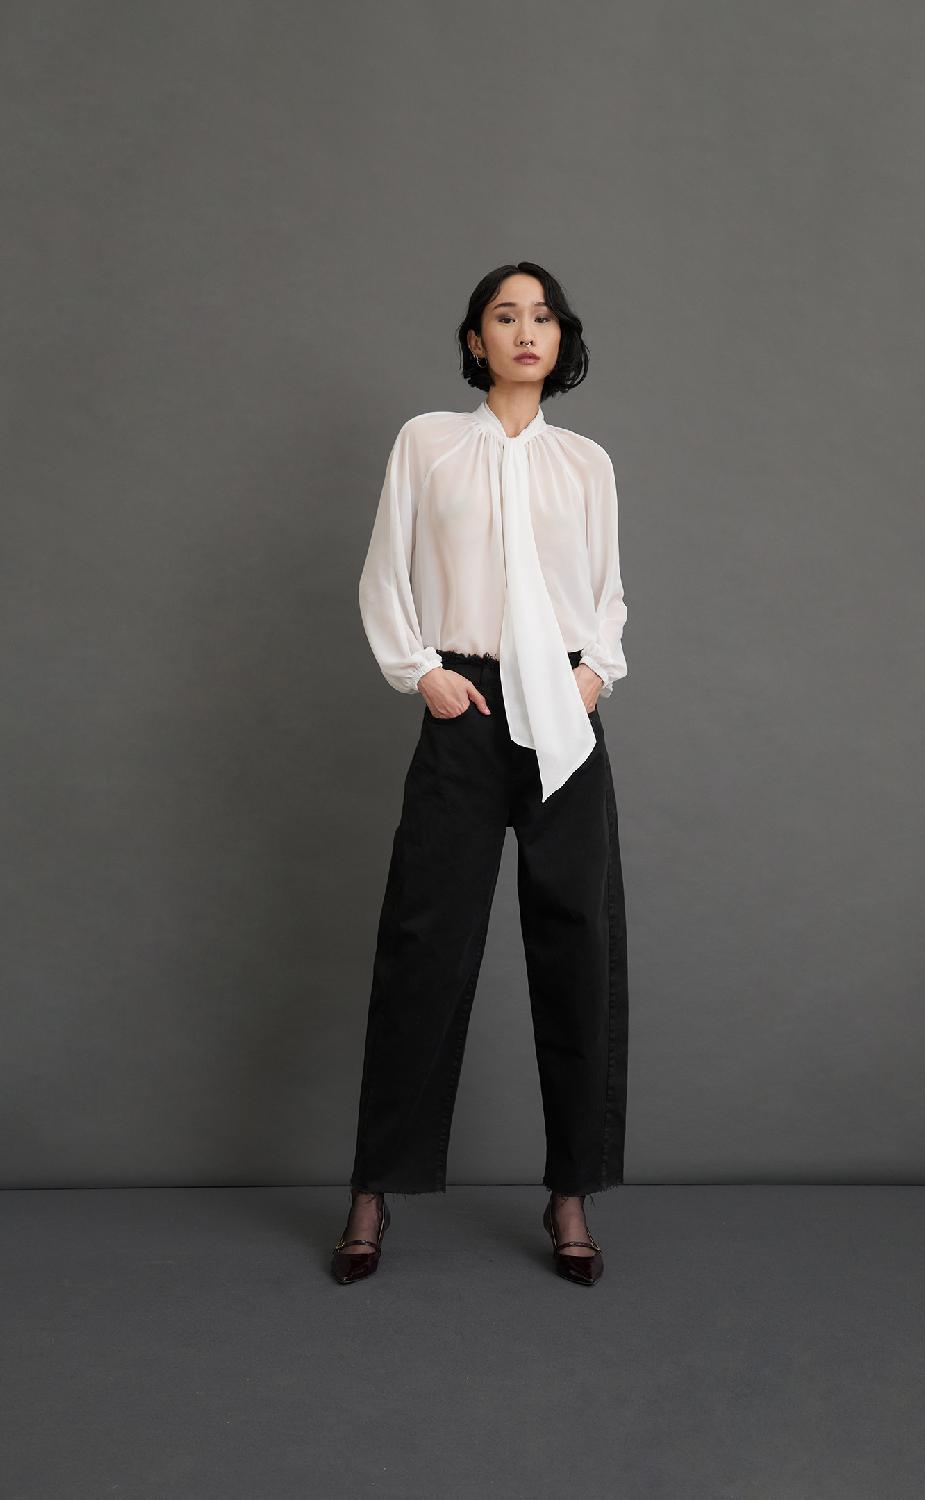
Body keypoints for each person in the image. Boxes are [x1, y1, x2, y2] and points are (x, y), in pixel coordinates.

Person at [332, 261, 629, 1288]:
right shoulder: (427, 443)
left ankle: (571, 1193)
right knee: (424, 942)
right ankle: (373, 1186)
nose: (525, 331)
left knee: (576, 946)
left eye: (542, 316)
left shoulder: (585, 462)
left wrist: (594, 673)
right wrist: (423, 673)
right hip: (465, 704)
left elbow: (607, 592)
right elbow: (385, 570)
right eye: (505, 316)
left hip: (564, 710)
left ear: (561, 339)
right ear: (475, 340)